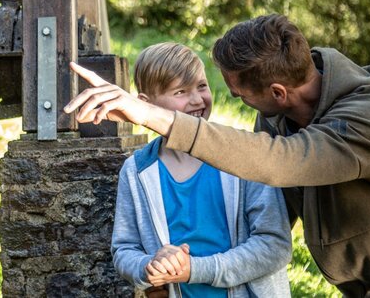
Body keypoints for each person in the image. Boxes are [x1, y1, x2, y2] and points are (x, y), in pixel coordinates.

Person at [66, 14, 370, 296]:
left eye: (240, 95)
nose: (229, 100)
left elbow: (280, 162)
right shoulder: (278, 115)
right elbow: (269, 216)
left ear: (278, 92)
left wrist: (147, 116)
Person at [111, 42, 291, 298]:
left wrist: (194, 269)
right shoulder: (136, 171)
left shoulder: (244, 154)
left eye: (202, 86)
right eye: (181, 91)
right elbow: (124, 249)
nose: (197, 100)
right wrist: (148, 267)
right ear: (145, 104)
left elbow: (274, 245)